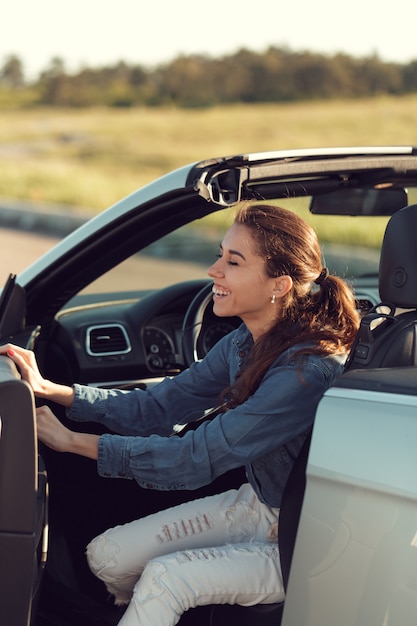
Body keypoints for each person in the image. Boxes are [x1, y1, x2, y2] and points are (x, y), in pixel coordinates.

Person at [1, 203, 360, 626]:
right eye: (219, 254)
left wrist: (71, 441)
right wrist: (52, 390)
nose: (214, 271)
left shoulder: (305, 372)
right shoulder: (247, 341)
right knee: (108, 558)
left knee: (164, 579)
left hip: (308, 538)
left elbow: (196, 456)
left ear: (278, 284)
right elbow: (160, 405)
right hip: (264, 504)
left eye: (233, 261)